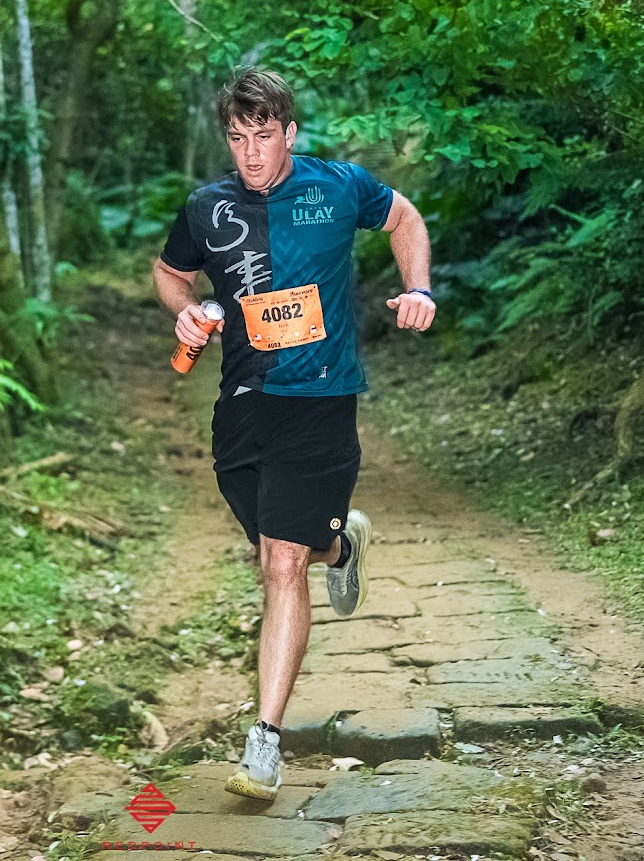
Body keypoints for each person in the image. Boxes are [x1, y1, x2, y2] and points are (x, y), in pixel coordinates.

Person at [151, 68, 434, 801]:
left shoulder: (337, 186)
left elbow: (405, 218)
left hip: (320, 400)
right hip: (242, 405)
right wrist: (185, 310)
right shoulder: (207, 207)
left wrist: (418, 287)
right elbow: (169, 271)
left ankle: (265, 741)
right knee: (280, 548)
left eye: (264, 135)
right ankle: (340, 545)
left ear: (290, 133)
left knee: (281, 563)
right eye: (237, 138)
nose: (250, 153)